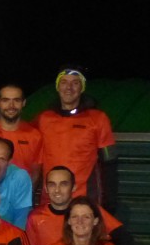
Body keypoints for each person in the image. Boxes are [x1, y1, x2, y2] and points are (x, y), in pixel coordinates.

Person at [35, 66, 117, 208]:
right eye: (64, 82)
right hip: (50, 200)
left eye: (75, 83)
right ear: (58, 87)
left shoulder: (98, 118)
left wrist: (109, 201)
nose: (69, 87)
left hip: (85, 201)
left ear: (82, 88)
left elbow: (109, 162)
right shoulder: (44, 119)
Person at [0, 84, 43, 190]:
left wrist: (24, 198)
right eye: (5, 100)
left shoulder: (34, 135)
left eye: (16, 100)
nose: (11, 106)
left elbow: (35, 174)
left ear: (23, 103)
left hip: (21, 200)